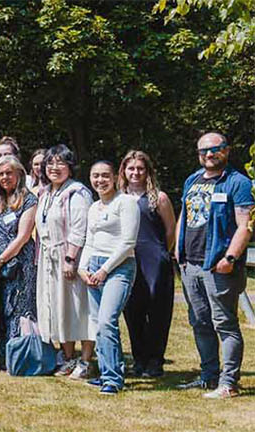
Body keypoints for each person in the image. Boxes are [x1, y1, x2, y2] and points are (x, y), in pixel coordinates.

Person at [175, 133, 251, 399]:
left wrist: (229, 259)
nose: (209, 154)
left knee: (224, 323)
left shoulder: (238, 182)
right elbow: (185, 213)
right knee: (200, 322)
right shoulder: (191, 180)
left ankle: (229, 383)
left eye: (215, 149)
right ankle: (208, 377)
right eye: (204, 150)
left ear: (226, 151)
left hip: (218, 265)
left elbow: (245, 225)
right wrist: (178, 249)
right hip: (190, 264)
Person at [77, 160, 140, 395]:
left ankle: (113, 379)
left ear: (115, 177)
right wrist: (83, 269)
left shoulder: (126, 203)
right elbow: (89, 241)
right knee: (99, 324)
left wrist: (105, 269)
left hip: (119, 267)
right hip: (93, 266)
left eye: (105, 175)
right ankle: (107, 371)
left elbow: (128, 242)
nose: (100, 180)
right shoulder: (94, 207)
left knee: (106, 320)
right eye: (95, 176)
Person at [35, 145, 96, 380]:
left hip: (70, 257)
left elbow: (80, 228)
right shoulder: (46, 192)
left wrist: (70, 259)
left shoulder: (77, 192)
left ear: (70, 167)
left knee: (79, 307)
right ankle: (68, 358)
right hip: (48, 257)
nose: (54, 168)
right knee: (60, 308)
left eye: (61, 163)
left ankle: (86, 360)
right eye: (50, 163)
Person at [0, 156, 38, 372]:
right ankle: (0, 356)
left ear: (19, 174)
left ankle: (19, 357)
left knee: (17, 307)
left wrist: (1, 260)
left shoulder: (29, 200)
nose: (4, 178)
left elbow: (23, 237)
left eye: (8, 173)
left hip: (17, 264)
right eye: (0, 174)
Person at [118, 150, 176, 378]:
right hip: (127, 259)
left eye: (140, 168)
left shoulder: (158, 198)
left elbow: (171, 229)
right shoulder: (118, 197)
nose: (135, 173)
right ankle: (139, 359)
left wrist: (162, 253)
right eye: (131, 168)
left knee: (158, 311)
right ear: (124, 170)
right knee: (132, 311)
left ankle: (155, 360)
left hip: (154, 260)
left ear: (147, 171)